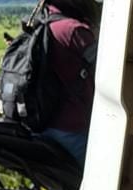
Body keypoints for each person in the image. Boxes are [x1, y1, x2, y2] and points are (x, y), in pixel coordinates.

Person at [41, 0, 98, 166]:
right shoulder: (74, 30)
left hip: (44, 123)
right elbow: (108, 70)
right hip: (72, 127)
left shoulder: (41, 25)